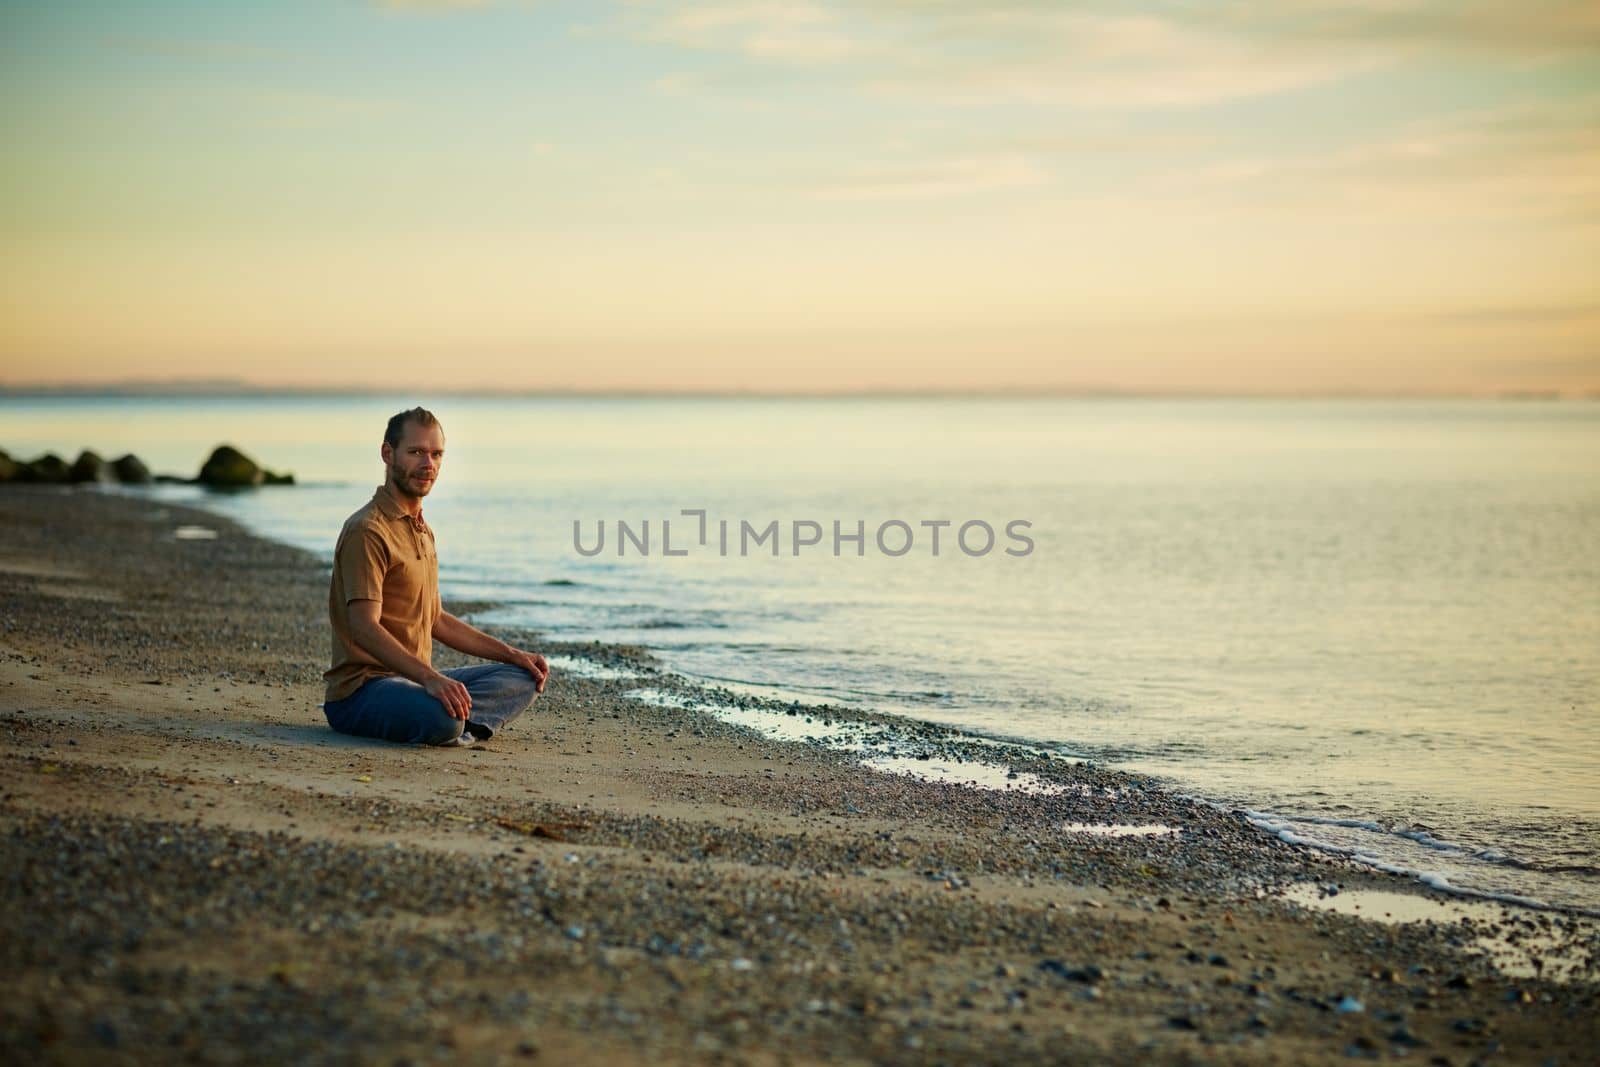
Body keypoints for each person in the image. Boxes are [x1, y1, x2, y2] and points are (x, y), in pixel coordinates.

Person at [322, 406, 549, 747]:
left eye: (436, 454)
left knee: (522, 677)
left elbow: (436, 620)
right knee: (441, 716)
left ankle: (459, 724)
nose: (428, 465)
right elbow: (363, 627)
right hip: (362, 691)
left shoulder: (422, 531)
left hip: (413, 683)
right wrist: (431, 679)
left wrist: (512, 654)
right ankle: (454, 724)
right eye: (415, 452)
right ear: (388, 453)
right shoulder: (368, 531)